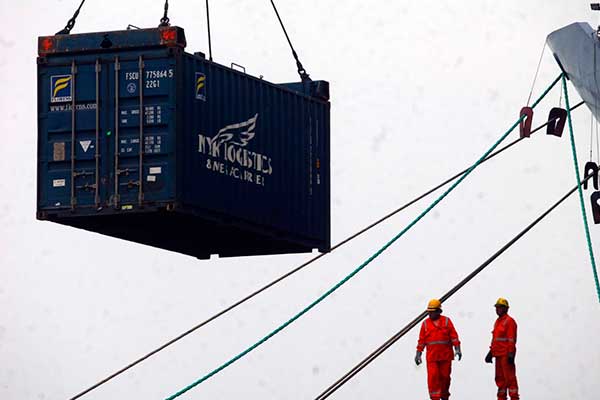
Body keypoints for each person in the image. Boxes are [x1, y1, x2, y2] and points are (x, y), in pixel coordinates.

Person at [415, 299, 462, 400]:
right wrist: (418, 354)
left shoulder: (446, 321)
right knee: (433, 378)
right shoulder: (425, 324)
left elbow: (454, 337)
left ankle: (444, 396)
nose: (430, 314)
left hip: (445, 356)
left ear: (438, 311)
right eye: (429, 312)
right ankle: (435, 397)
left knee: (445, 378)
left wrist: (457, 349)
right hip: (432, 358)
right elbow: (421, 341)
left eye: (432, 312)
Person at [485, 298, 519, 400]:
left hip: (506, 355)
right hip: (498, 355)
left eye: (500, 307)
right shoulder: (498, 322)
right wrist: (491, 352)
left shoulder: (510, 321)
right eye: (497, 307)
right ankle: (501, 398)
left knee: (510, 379)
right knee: (500, 380)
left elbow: (511, 339)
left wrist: (511, 354)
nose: (497, 309)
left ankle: (514, 398)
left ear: (506, 309)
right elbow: (496, 339)